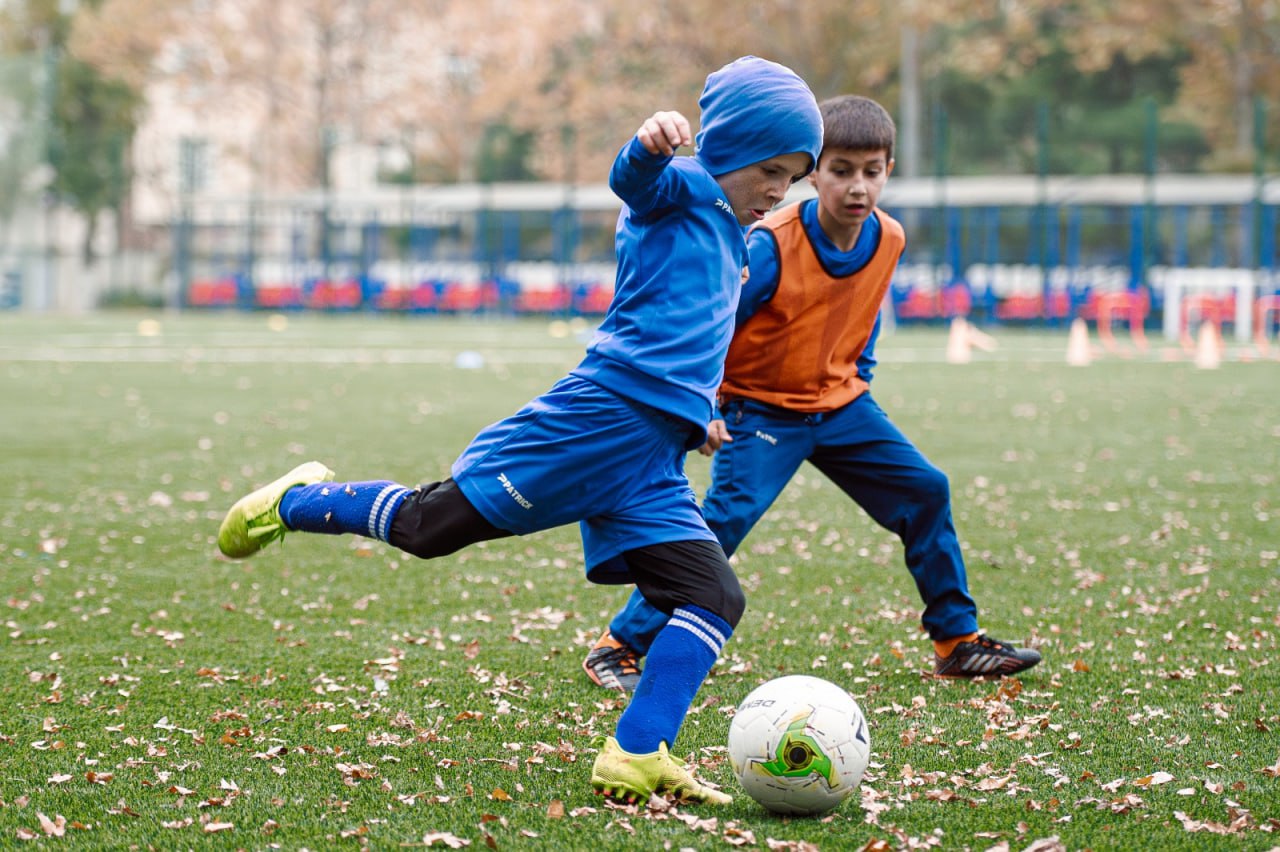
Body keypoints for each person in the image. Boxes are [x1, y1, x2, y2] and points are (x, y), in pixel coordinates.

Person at [216, 56, 823, 808]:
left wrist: (695, 417)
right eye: (770, 167)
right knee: (427, 528)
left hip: (652, 459)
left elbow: (683, 334)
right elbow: (631, 184)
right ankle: (297, 501)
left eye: (794, 177)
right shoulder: (681, 188)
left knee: (713, 596)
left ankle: (636, 753)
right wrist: (649, 144)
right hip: (594, 425)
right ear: (726, 147)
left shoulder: (737, 235)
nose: (779, 189)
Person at [582, 95, 1041, 693]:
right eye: (841, 170)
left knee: (926, 490)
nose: (857, 186)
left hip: (842, 406)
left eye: (871, 171)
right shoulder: (770, 244)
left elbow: (864, 317)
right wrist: (709, 403)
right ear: (812, 174)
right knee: (721, 522)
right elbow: (715, 319)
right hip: (762, 409)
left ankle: (957, 642)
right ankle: (619, 644)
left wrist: (859, 379)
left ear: (888, 172)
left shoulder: (889, 238)